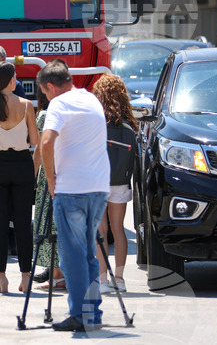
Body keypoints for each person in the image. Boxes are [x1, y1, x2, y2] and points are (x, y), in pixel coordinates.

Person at [38, 59, 109, 332]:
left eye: (45, 93)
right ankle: (92, 314)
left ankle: (80, 314)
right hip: (98, 187)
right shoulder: (91, 99)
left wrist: (50, 178)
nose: (47, 98)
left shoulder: (58, 104)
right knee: (88, 254)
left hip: (72, 189)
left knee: (71, 258)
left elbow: (46, 142)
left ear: (52, 87)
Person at [0, 61, 39, 294]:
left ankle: (1, 278)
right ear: (12, 80)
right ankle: (26, 276)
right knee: (23, 223)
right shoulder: (26, 104)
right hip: (21, 164)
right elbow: (35, 140)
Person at [91, 74, 138, 293]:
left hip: (98, 182)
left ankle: (102, 280)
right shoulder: (129, 126)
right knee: (118, 230)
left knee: (101, 230)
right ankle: (119, 278)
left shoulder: (96, 123)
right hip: (120, 182)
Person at [31, 89, 63, 289]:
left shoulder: (45, 116)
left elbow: (39, 149)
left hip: (49, 175)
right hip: (68, 173)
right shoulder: (67, 114)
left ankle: (57, 275)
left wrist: (31, 176)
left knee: (49, 223)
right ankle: (62, 272)